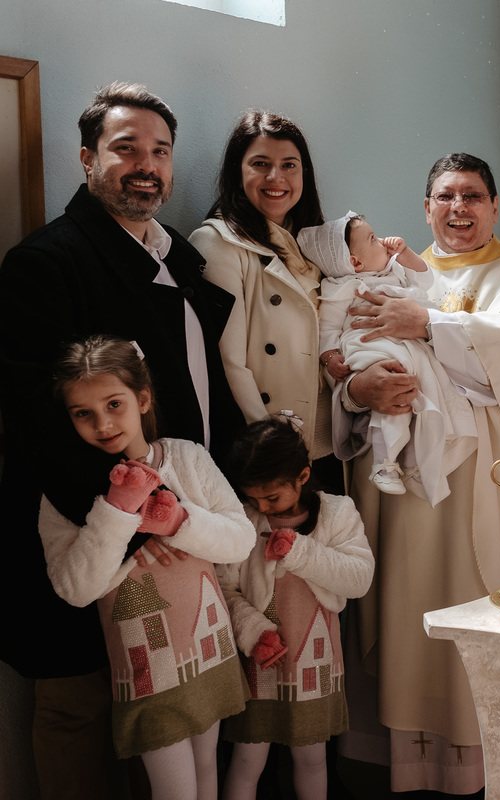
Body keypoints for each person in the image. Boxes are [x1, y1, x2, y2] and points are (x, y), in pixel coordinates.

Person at [0, 81, 242, 800]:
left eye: (161, 151)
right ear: (86, 159)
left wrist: (191, 514)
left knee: (176, 718)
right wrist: (135, 524)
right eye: (125, 148)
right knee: (79, 709)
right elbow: (41, 425)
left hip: (178, 527)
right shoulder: (47, 263)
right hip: (93, 531)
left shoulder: (179, 263)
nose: (147, 165)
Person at [337, 153, 500, 794]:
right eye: (445, 196)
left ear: (494, 206)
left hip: (478, 485)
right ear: (427, 206)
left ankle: (477, 772)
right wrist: (366, 384)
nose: (459, 208)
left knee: (471, 606)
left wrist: (428, 323)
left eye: (474, 196)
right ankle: (409, 766)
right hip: (407, 490)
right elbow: (351, 353)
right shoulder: (396, 272)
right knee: (410, 607)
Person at [38, 336, 255, 800]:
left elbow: (241, 539)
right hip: (149, 669)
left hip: (210, 648)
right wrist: (118, 510)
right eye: (83, 413)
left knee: (206, 775)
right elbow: (75, 588)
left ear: (142, 398)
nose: (103, 423)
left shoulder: (188, 457)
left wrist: (180, 521)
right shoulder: (64, 491)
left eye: (114, 404)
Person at [218, 417, 374, 800]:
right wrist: (253, 633)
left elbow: (358, 578)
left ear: (302, 476)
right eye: (253, 498)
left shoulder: (337, 514)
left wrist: (300, 551)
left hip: (313, 667)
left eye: (272, 498)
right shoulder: (245, 519)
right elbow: (226, 588)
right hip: (262, 661)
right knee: (247, 761)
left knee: (313, 759)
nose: (262, 507)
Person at [190, 111, 336, 482]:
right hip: (267, 444)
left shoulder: (316, 244)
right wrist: (272, 446)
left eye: (289, 165)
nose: (277, 178)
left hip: (329, 438)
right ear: (237, 172)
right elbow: (229, 362)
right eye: (261, 164)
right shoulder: (217, 242)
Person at [298, 211, 475, 501]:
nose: (381, 241)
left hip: (407, 343)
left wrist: (404, 253)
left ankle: (423, 452)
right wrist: (330, 358)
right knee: (393, 393)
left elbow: (425, 278)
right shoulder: (341, 287)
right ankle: (385, 463)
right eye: (372, 239)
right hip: (369, 344)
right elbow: (328, 326)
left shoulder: (394, 269)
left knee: (420, 388)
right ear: (355, 263)